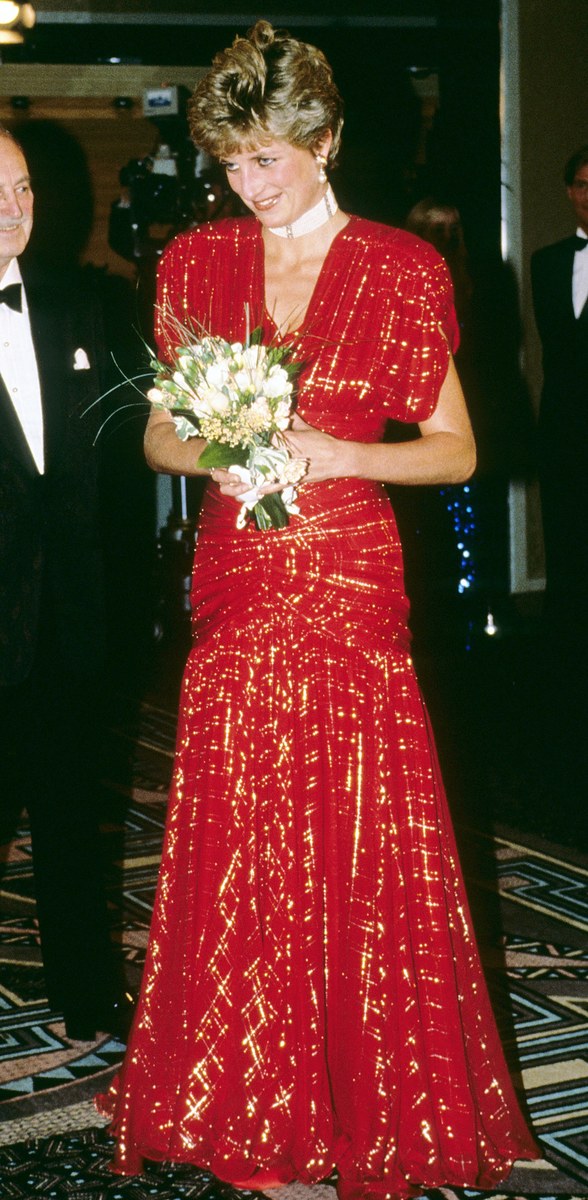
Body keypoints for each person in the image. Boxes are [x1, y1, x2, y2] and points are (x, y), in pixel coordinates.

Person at [98, 23, 538, 1198]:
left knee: (356, 828)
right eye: (234, 165)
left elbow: (455, 452)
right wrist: (216, 452)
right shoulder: (194, 263)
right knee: (244, 833)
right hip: (239, 571)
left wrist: (338, 451)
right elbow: (154, 432)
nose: (250, 188)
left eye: (270, 164)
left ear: (326, 140)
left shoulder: (403, 269)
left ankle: (371, 1092)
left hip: (349, 578)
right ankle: (246, 1094)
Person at [0, 126, 124, 1041]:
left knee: (78, 818)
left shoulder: (85, 306)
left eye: (25, 189)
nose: (14, 209)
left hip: (72, 619)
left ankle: (87, 992)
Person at [531, 145, 588, 819]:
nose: (587, 197)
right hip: (565, 432)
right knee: (570, 544)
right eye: (579, 186)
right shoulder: (548, 262)